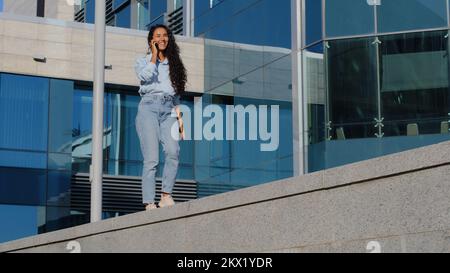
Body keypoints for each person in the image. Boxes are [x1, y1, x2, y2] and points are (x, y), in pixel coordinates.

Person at [134, 24, 187, 211]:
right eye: (158, 36)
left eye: (165, 35)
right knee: (152, 159)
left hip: (169, 109)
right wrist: (154, 57)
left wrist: (180, 120)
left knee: (173, 151)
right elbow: (145, 77)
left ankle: (166, 195)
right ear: (152, 40)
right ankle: (149, 201)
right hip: (148, 107)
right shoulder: (143, 61)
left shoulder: (174, 64)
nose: (162, 38)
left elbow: (177, 95)